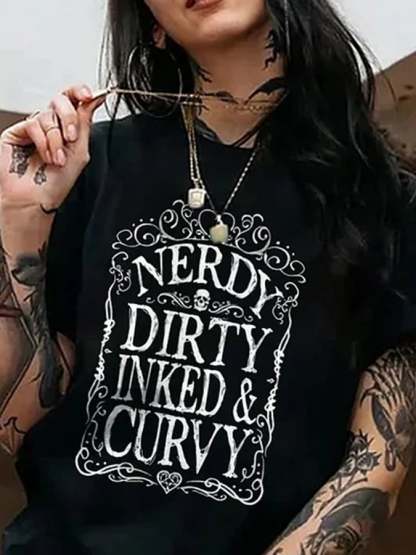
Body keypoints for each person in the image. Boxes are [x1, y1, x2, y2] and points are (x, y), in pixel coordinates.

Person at [0, 0, 415, 553]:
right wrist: (20, 221)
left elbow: (375, 464)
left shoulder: (384, 199)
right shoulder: (92, 165)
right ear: (153, 25)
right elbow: (16, 423)